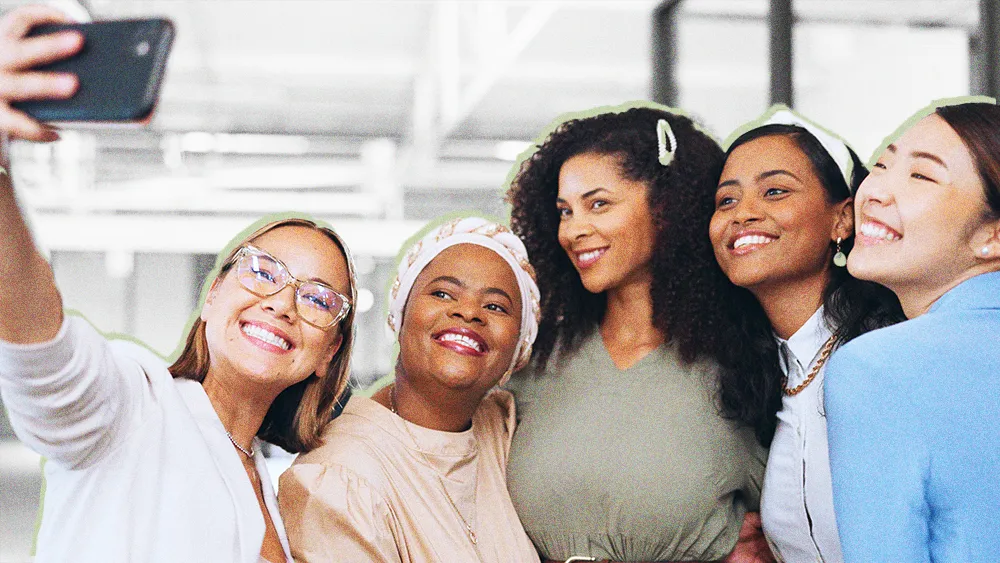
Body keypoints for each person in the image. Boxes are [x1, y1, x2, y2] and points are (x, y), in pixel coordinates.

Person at [0, 7, 357, 562]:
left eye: (317, 298)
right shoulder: (132, 409)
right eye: (263, 270)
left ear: (328, 352)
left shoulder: (290, 485)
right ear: (212, 295)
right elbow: (42, 356)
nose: (283, 303)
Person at [505, 104, 772, 563]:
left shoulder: (745, 364)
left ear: (667, 207)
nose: (573, 230)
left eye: (598, 204)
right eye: (565, 211)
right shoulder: (536, 360)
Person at [279, 217, 542, 563]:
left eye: (496, 306)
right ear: (400, 316)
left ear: (517, 351)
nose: (467, 312)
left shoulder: (504, 431)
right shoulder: (339, 479)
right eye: (442, 293)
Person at [708, 107, 903, 563]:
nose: (743, 214)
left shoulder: (891, 357)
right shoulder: (756, 372)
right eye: (726, 201)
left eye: (775, 191)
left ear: (843, 220)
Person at [825, 101, 1000, 563]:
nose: (875, 192)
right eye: (882, 164)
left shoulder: (879, 369)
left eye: (921, 176)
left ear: (994, 237)